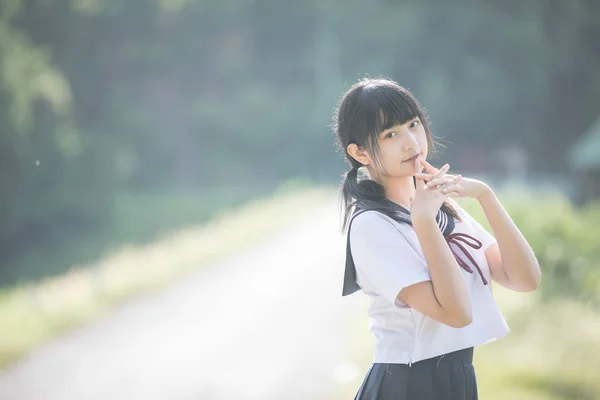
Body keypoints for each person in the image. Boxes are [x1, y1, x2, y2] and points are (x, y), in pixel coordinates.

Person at [334, 78, 541, 399]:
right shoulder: (371, 225)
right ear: (360, 152)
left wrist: (486, 196)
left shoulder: (442, 208)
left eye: (413, 125)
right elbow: (456, 314)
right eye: (391, 134)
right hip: (407, 382)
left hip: (456, 378)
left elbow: (524, 278)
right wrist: (424, 220)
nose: (411, 142)